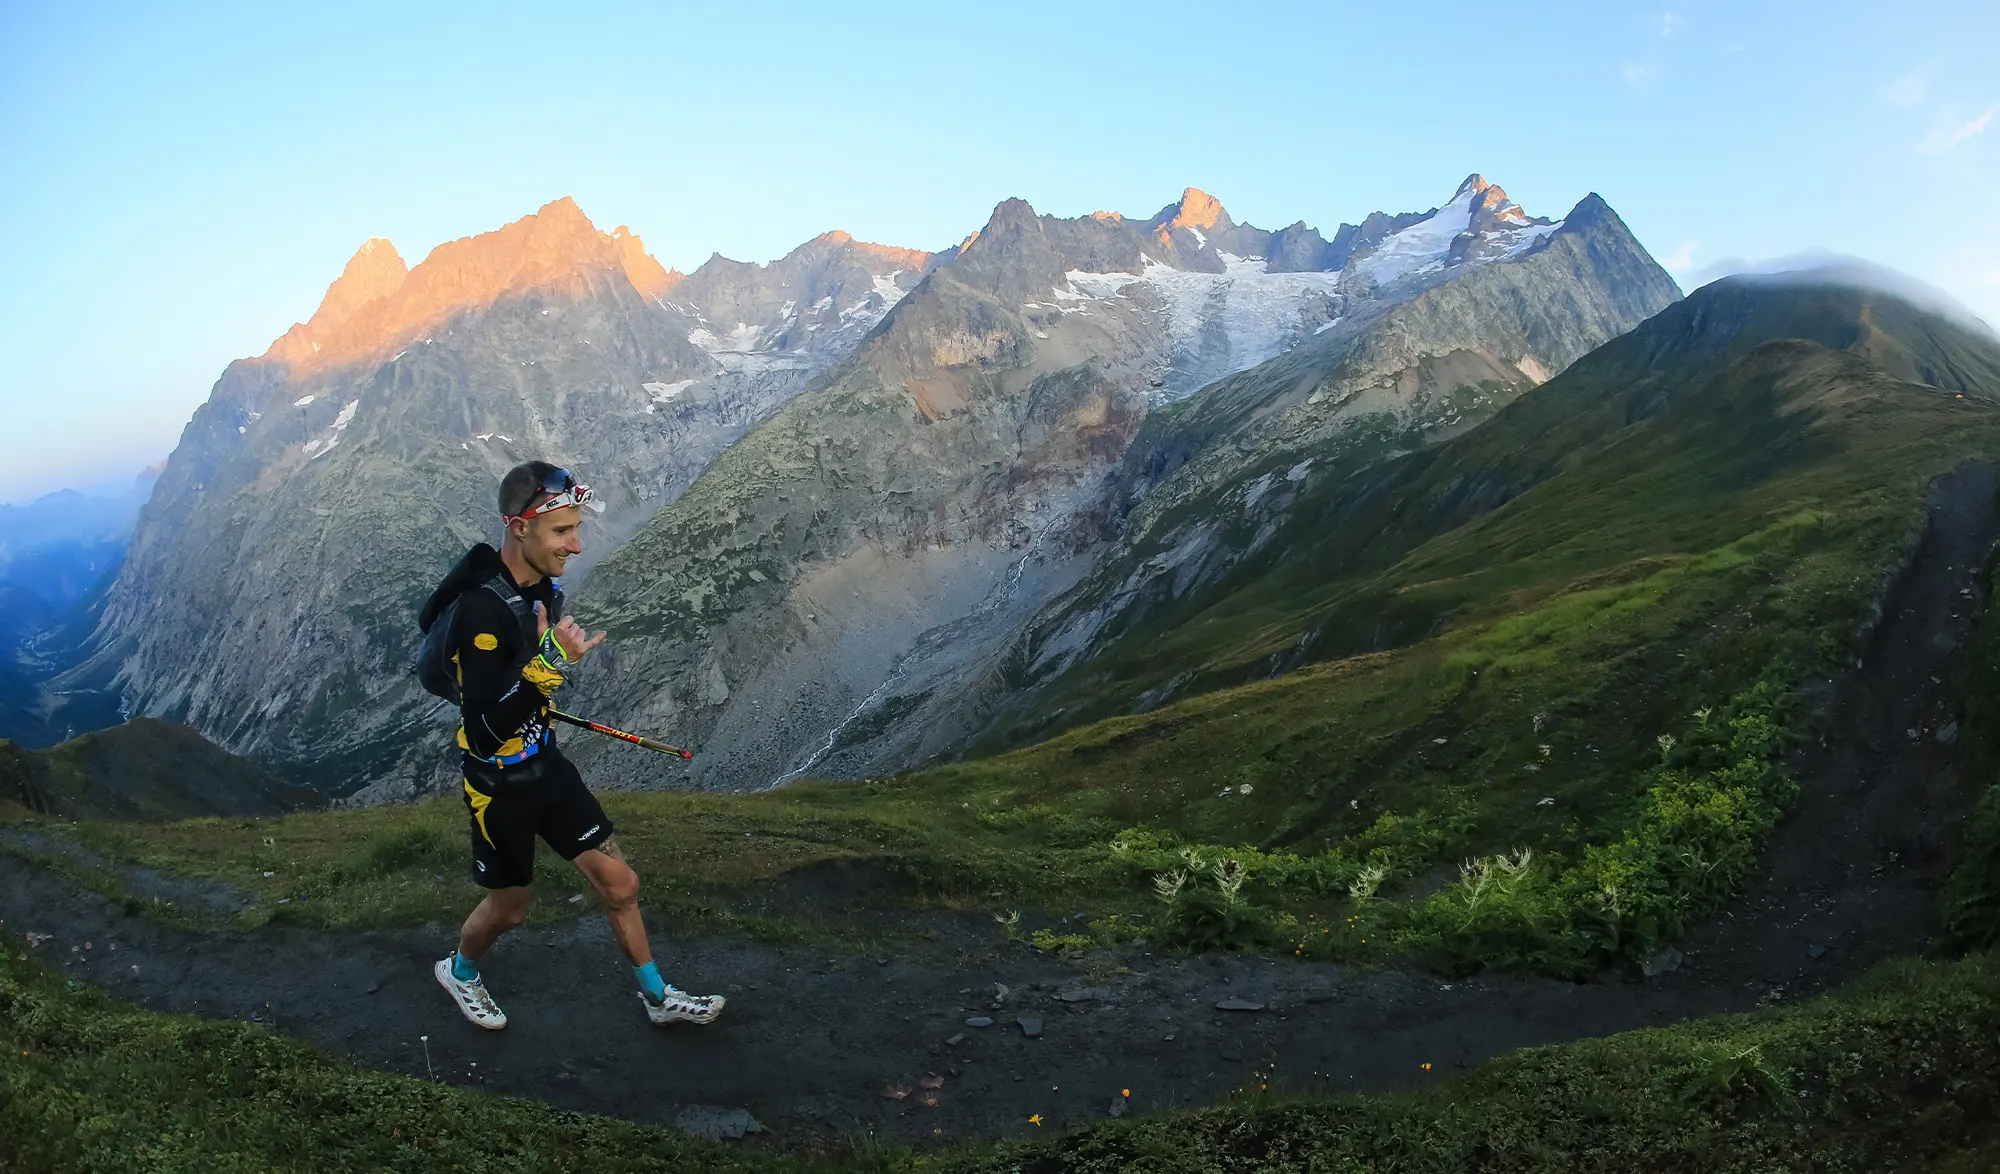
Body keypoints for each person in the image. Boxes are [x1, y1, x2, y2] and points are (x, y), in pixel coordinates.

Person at [419, 461, 724, 1031]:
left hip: (546, 768)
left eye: (576, 528)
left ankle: (658, 997)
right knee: (510, 913)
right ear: (519, 528)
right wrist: (549, 664)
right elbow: (484, 732)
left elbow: (529, 682)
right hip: (498, 784)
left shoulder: (542, 591)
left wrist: (544, 668)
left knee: (621, 884)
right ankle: (459, 971)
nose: (577, 544)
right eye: (563, 531)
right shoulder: (481, 611)